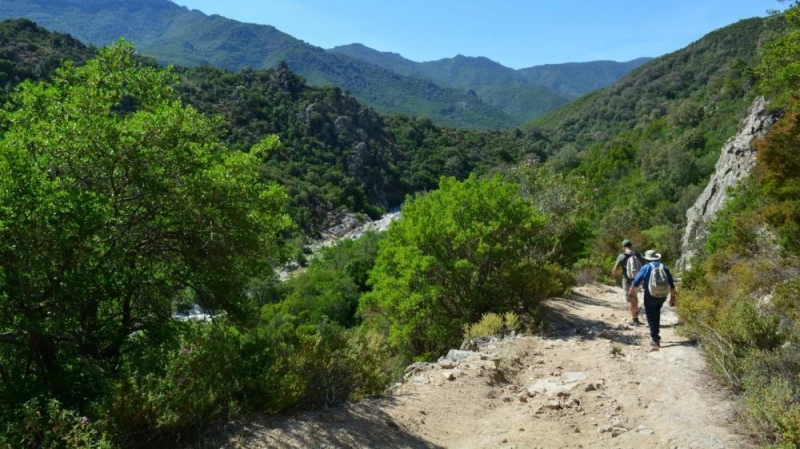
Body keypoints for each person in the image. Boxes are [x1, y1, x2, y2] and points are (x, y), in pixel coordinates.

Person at [628, 250, 677, 349]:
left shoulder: (646, 267)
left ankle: (655, 339)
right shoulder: (664, 267)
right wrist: (672, 298)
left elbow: (636, 281)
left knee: (651, 316)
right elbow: (671, 285)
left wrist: (631, 292)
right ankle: (656, 335)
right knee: (657, 313)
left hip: (650, 294)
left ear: (647, 259)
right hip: (663, 295)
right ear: (657, 258)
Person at [611, 239, 642, 326]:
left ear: (623, 247)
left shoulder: (622, 256)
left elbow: (616, 268)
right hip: (637, 280)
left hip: (628, 280)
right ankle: (636, 316)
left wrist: (614, 275)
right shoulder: (637, 254)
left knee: (630, 299)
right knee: (635, 297)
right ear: (631, 246)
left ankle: (634, 320)